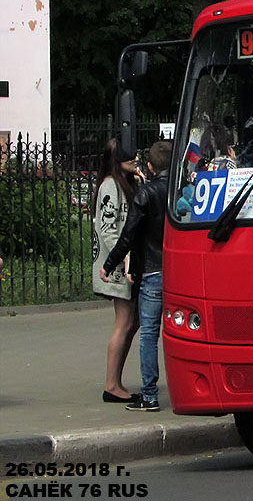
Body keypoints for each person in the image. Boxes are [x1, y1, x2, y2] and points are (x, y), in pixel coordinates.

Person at [101, 140, 172, 412]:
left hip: (152, 271)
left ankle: (150, 395)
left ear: (151, 166)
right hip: (178, 271)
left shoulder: (146, 193)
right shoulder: (181, 193)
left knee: (148, 335)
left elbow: (128, 235)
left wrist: (109, 264)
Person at [91, 139, 142, 404]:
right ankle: (112, 385)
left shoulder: (130, 183)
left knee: (133, 323)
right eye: (130, 158)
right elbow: (107, 229)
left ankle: (116, 381)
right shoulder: (110, 186)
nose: (136, 160)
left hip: (128, 263)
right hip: (119, 266)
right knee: (124, 323)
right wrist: (122, 258)